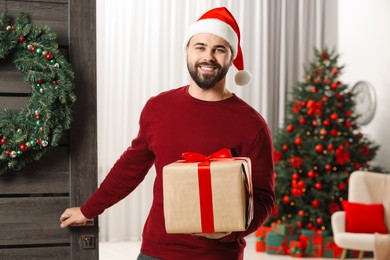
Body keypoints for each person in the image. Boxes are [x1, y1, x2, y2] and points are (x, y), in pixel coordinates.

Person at [60, 7, 275, 260]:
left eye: (219, 49)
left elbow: (264, 198)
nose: (208, 56)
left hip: (217, 255)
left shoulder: (252, 124)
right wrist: (89, 209)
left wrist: (230, 232)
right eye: (200, 47)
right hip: (156, 251)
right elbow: (130, 168)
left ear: (231, 57)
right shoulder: (158, 108)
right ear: (187, 51)